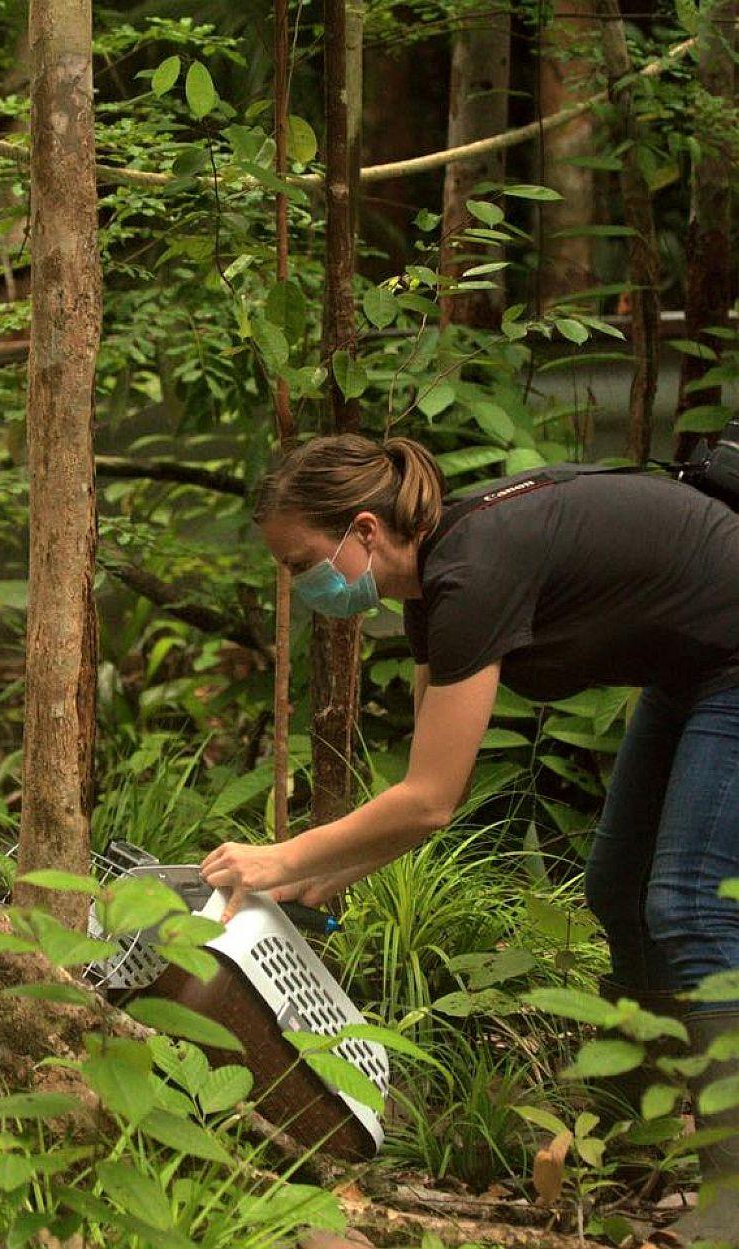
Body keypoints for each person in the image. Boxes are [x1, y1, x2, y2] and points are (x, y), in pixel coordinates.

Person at [199, 433, 739, 1244]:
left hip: (730, 658)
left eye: (300, 560)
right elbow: (422, 785)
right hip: (692, 665)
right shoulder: (435, 589)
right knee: (619, 894)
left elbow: (430, 801)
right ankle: (638, 1140)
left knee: (692, 909)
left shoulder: (471, 575)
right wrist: (327, 870)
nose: (299, 581)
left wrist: (281, 856)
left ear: (365, 530)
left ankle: (732, 1196)